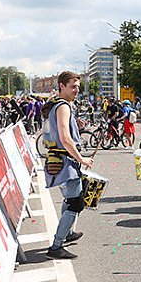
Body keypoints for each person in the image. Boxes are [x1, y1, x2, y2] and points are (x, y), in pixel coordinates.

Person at [42, 72, 94, 259]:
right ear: (61, 86)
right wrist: (82, 159)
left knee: (70, 199)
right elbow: (64, 138)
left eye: (78, 87)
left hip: (58, 160)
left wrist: (76, 128)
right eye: (73, 86)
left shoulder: (55, 104)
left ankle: (68, 232)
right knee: (75, 203)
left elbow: (58, 133)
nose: (76, 90)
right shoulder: (63, 106)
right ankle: (56, 246)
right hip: (66, 162)